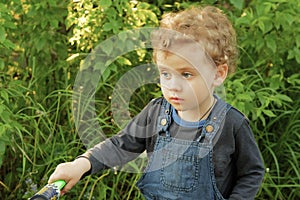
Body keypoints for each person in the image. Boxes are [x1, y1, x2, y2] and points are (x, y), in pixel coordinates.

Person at [48, 6, 265, 199]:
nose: (173, 86)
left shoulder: (231, 123)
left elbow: (251, 172)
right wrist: (81, 164)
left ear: (218, 74)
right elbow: (119, 145)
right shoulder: (157, 113)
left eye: (187, 74)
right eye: (166, 74)